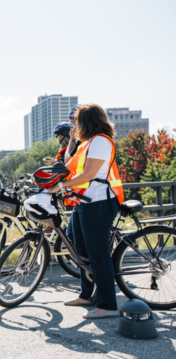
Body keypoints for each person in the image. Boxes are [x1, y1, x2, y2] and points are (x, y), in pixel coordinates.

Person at [47, 104, 124, 319]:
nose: (74, 125)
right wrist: (72, 140)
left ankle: (108, 305)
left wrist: (61, 186)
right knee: (79, 248)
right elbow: (69, 165)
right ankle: (87, 295)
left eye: (77, 121)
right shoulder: (86, 143)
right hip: (84, 201)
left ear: (88, 121)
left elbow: (89, 174)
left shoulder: (100, 141)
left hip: (99, 201)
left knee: (97, 252)